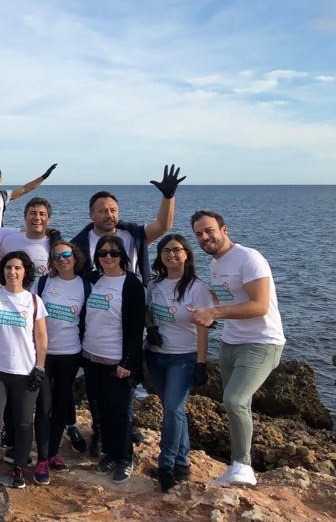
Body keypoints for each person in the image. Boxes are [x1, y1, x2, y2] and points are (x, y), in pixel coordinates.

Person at [190, 210, 285, 487]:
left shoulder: (249, 258)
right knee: (235, 404)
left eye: (209, 230)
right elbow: (227, 297)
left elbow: (259, 306)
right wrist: (205, 308)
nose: (205, 237)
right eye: (199, 234)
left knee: (235, 400)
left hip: (262, 342)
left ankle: (243, 466)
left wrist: (214, 314)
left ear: (224, 229)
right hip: (231, 342)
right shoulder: (215, 265)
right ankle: (236, 464)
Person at [145, 234, 213, 492]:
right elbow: (148, 310)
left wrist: (201, 362)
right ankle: (183, 463)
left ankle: (166, 464)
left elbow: (205, 328)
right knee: (174, 409)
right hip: (155, 355)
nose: (171, 254)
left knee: (173, 409)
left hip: (183, 358)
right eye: (165, 250)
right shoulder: (155, 285)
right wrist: (150, 327)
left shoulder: (198, 289)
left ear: (186, 254)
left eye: (176, 250)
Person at [0, 251, 48, 487]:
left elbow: (41, 338)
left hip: (25, 372)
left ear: (25, 271)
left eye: (17, 268)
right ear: (2, 271)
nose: (12, 272)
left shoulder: (35, 301)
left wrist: (40, 368)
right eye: (8, 267)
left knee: (24, 422)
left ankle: (18, 468)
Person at [83, 235, 146, 483]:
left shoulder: (131, 284)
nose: (108, 257)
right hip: (90, 356)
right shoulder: (92, 280)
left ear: (122, 256)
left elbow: (135, 327)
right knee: (99, 409)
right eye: (102, 253)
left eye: (114, 253)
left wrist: (128, 362)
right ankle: (109, 453)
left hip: (116, 360)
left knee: (119, 412)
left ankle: (124, 457)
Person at [34, 241, 92, 477]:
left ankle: (53, 453)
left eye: (66, 254)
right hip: (44, 354)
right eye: (57, 257)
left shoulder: (86, 286)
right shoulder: (44, 283)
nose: (62, 259)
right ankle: (41, 459)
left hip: (70, 354)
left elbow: (90, 321)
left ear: (75, 257)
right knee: (43, 406)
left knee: (60, 407)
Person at [71, 165, 185, 284]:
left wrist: (168, 197)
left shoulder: (134, 234)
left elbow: (162, 226)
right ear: (91, 214)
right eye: (102, 211)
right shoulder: (78, 244)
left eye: (113, 210)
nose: (109, 215)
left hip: (131, 295)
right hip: (96, 299)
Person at [0, 197, 59, 276]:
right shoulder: (9, 241)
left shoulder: (54, 246)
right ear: (25, 217)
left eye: (42, 214)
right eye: (33, 213)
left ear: (49, 219)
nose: (37, 218)